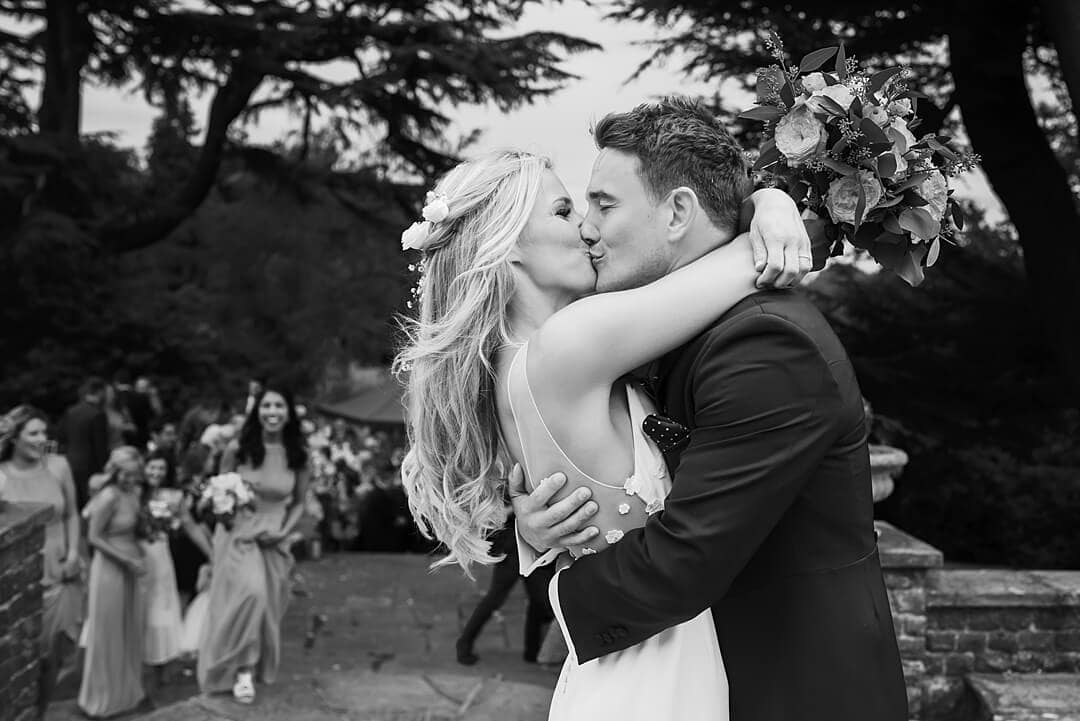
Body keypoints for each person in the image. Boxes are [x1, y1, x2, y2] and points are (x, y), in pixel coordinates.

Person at [511, 99, 908, 721]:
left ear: (677, 212)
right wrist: (542, 530)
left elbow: (685, 558)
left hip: (790, 685)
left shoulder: (766, 344)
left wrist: (557, 583)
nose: (586, 228)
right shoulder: (677, 323)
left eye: (604, 204)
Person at [395, 139, 808, 721]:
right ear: (509, 245)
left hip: (626, 663)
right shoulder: (569, 345)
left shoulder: (516, 362)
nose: (587, 228)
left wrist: (532, 534)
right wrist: (773, 204)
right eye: (564, 212)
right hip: (657, 667)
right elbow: (751, 263)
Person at [197, 382, 309, 704]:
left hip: (276, 535)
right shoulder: (238, 448)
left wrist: (284, 531)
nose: (271, 412)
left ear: (288, 413)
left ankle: (248, 664)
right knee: (251, 593)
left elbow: (300, 501)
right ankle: (241, 670)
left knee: (269, 606)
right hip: (239, 532)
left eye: (278, 406)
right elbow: (215, 492)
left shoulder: (298, 453)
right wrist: (223, 511)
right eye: (266, 406)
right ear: (257, 412)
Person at [0, 406, 84, 715]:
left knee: (50, 658)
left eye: (44, 432)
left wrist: (75, 552)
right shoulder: (1, 475)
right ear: (14, 438)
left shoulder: (59, 466)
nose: (42, 439)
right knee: (19, 655)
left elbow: (73, 512)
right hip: (17, 577)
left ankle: (41, 713)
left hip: (59, 571)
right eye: (33, 433)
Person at [78, 446, 148, 718]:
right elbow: (94, 538)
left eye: (135, 474)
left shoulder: (133, 494)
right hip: (110, 568)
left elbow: (135, 526)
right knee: (107, 630)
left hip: (131, 563)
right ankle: (101, 698)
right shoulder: (107, 496)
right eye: (126, 474)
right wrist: (125, 560)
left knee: (127, 627)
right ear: (115, 471)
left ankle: (125, 693)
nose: (131, 479)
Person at [141, 451, 212, 687]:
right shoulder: (132, 493)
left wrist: (213, 555)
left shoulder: (173, 496)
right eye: (152, 467)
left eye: (161, 468)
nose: (156, 473)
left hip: (160, 557)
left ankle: (160, 664)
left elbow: (190, 526)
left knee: (160, 609)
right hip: (135, 556)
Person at [456, 518, 555, 665]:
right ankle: (464, 643)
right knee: (496, 598)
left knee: (538, 600)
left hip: (531, 542)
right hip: (514, 545)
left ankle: (532, 651)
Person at [56, 377, 110, 510]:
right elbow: (100, 448)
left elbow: (61, 438)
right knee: (89, 506)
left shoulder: (71, 411)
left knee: (73, 505)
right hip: (90, 467)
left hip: (70, 463)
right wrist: (105, 470)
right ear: (100, 392)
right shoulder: (98, 415)